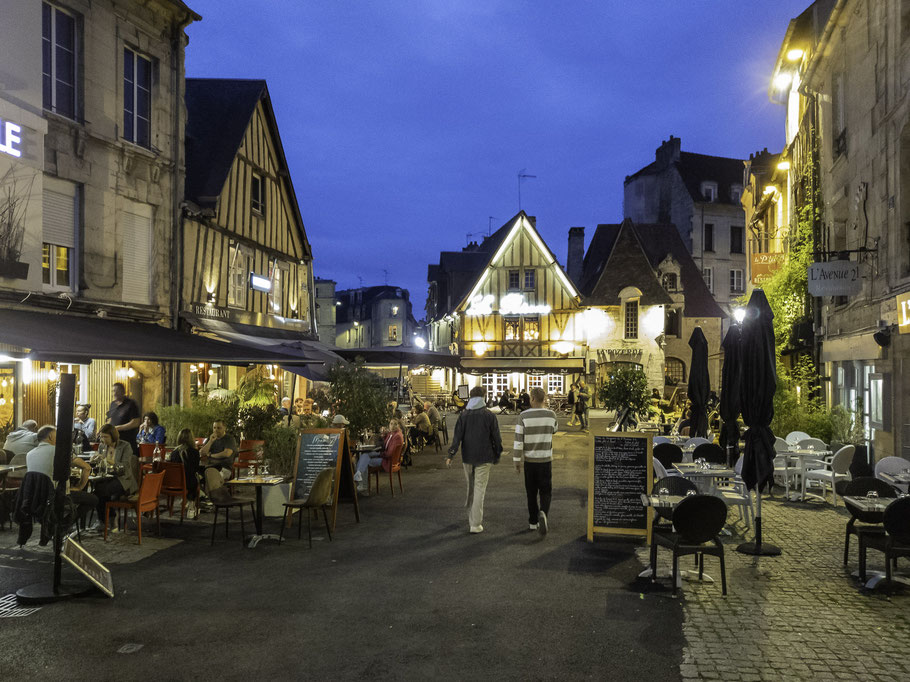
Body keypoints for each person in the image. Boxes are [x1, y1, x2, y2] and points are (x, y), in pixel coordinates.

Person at [445, 386, 502, 534]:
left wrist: (451, 455)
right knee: (479, 490)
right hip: (485, 456)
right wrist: (498, 453)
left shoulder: (463, 415)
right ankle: (475, 524)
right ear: (483, 397)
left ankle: (472, 517)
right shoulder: (490, 416)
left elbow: (457, 437)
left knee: (471, 487)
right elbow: (496, 438)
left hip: (468, 457)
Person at [25, 425, 97, 528]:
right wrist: (79, 487)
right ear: (50, 436)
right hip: (56, 494)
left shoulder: (29, 454)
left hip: (37, 496)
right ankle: (63, 525)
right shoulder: (60, 452)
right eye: (56, 435)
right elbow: (87, 468)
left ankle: (53, 526)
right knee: (93, 499)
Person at [513, 387, 557, 535]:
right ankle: (543, 513)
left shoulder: (523, 416)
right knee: (546, 491)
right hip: (545, 460)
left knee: (531, 492)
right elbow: (554, 430)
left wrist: (517, 460)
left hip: (530, 461)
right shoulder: (552, 415)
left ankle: (533, 522)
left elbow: (518, 440)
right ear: (544, 399)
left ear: (532, 399)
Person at [92, 423, 140, 528]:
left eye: (106, 437)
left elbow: (125, 467)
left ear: (113, 436)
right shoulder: (102, 446)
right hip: (107, 477)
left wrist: (109, 461)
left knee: (101, 491)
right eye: (101, 436)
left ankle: (108, 518)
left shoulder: (125, 446)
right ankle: (107, 518)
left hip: (123, 478)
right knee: (97, 490)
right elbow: (101, 465)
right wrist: (95, 460)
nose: (103, 439)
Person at [353, 419, 404, 494]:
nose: (392, 426)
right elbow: (385, 445)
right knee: (365, 455)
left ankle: (363, 484)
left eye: (395, 424)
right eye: (391, 424)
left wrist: (379, 454)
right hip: (385, 456)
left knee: (365, 459)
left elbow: (389, 453)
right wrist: (383, 436)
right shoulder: (391, 434)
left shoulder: (397, 436)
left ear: (399, 426)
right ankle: (360, 477)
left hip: (388, 460)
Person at [169, 428, 201, 517]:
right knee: (195, 477)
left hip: (174, 483)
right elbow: (195, 469)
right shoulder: (195, 452)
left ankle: (186, 501)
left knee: (190, 476)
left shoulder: (174, 452)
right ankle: (191, 504)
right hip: (188, 484)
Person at [106, 382, 141, 454]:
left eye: (117, 391)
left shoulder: (131, 404)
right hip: (114, 441)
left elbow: (136, 422)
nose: (115, 393)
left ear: (123, 391)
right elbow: (110, 419)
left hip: (127, 441)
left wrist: (118, 428)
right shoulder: (112, 404)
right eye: (113, 391)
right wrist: (105, 429)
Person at [199, 420, 237, 484]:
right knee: (195, 477)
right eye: (214, 428)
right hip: (209, 467)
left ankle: (209, 492)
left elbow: (227, 453)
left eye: (219, 428)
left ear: (224, 428)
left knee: (209, 479)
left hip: (224, 468)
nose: (216, 430)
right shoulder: (210, 439)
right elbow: (202, 453)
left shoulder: (229, 439)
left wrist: (211, 455)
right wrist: (210, 441)